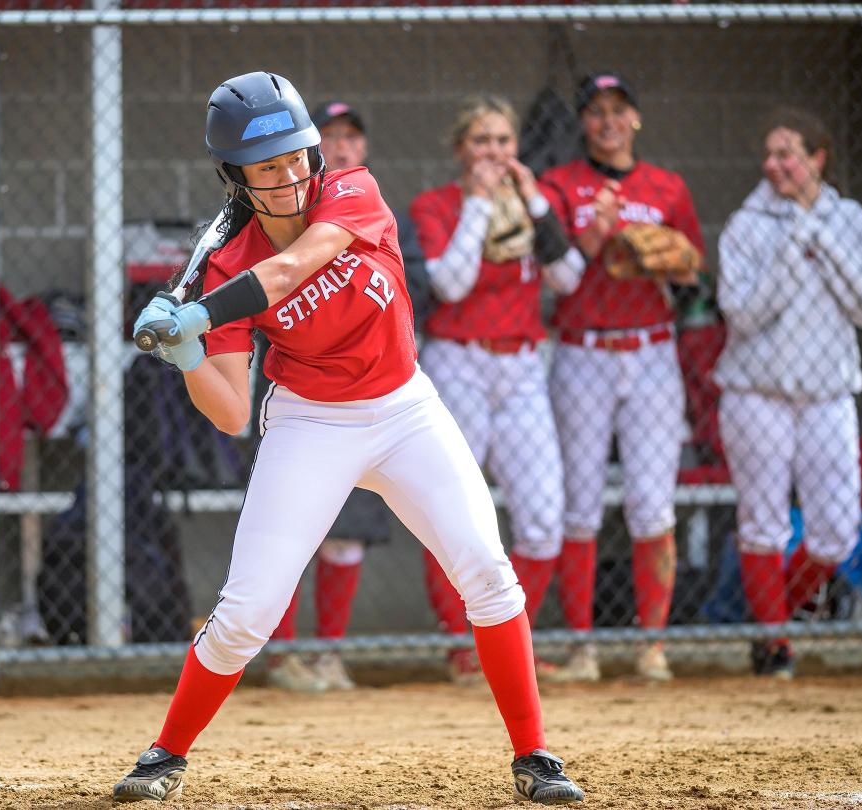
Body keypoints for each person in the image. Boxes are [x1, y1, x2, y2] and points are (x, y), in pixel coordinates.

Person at [113, 71, 584, 805]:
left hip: (405, 408)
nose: (292, 175)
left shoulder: (349, 189)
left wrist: (201, 313)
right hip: (311, 420)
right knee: (246, 613)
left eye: (298, 155)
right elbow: (232, 412)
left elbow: (300, 262)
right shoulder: (226, 263)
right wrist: (187, 356)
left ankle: (534, 756)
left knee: (488, 574)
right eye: (268, 168)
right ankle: (164, 754)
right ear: (235, 177)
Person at [409, 96, 584, 686]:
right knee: (453, 513)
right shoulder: (437, 205)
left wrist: (533, 203)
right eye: (481, 141)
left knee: (543, 517)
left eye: (503, 141)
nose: (494, 153)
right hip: (459, 363)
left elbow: (569, 275)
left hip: (523, 368)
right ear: (461, 149)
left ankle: (510, 640)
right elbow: (451, 286)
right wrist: (480, 207)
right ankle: (462, 646)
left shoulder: (533, 207)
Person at [258, 99, 431, 693]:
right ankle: (282, 657)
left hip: (378, 389)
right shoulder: (268, 224)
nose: (339, 146)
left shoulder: (367, 199)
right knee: (290, 532)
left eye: (350, 137)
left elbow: (423, 287)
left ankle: (328, 654)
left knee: (348, 530)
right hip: (304, 394)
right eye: (327, 136)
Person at [540, 71, 705, 683]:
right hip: (582, 350)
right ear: (584, 122)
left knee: (650, 504)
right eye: (596, 112)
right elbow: (555, 271)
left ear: (635, 117)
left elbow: (693, 275)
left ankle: (651, 646)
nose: (608, 121)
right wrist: (593, 233)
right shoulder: (561, 185)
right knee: (579, 505)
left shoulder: (666, 186)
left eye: (618, 110)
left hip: (652, 350)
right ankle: (583, 647)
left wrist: (676, 259)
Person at [715, 107, 862, 679]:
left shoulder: (855, 221)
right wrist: (793, 250)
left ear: (817, 158)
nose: (774, 165)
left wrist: (824, 242)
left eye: (787, 153)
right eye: (769, 154)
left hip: (829, 391)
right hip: (755, 390)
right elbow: (741, 315)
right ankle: (776, 646)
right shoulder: (748, 224)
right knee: (763, 521)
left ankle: (773, 620)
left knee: (836, 530)